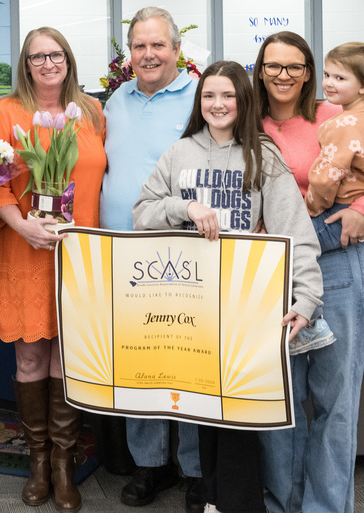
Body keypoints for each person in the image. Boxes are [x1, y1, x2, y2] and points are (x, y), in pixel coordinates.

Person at [133, 61, 324, 513]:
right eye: (209, 96)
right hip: (190, 303)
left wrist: (307, 297)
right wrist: (185, 206)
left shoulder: (263, 155)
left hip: (245, 302)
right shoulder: (179, 153)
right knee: (202, 405)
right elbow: (142, 212)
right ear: (200, 104)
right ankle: (212, 496)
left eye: (228, 96)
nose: (218, 105)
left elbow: (295, 229)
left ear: (244, 101)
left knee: (237, 408)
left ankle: (239, 503)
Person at [253, 31, 364, 513]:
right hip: (271, 272)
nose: (284, 76)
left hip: (337, 264)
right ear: (259, 70)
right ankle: (283, 503)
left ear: (308, 74)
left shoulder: (335, 114)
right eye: (273, 66)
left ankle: (324, 508)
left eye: (295, 66)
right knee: (279, 402)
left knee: (334, 402)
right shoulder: (243, 120)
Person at [0, 26, 106, 513]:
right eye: (38, 57)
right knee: (32, 358)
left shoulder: (92, 112)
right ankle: (38, 461)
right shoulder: (6, 111)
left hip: (81, 255)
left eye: (56, 54)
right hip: (26, 249)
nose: (48, 63)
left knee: (67, 359)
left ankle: (63, 463)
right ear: (26, 64)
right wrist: (21, 224)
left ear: (69, 59)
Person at [100, 6, 204, 512]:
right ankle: (150, 465)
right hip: (122, 251)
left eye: (157, 45)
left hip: (182, 250)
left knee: (187, 361)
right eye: (139, 46)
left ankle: (196, 469)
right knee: (139, 361)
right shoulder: (115, 100)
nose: (148, 54)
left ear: (177, 50)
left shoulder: (199, 99)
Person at [301, 42, 364, 348]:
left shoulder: (341, 124)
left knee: (296, 250)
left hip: (343, 210)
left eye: (341, 78)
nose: (329, 83)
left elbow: (325, 175)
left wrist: (311, 207)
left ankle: (314, 321)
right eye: (328, 74)